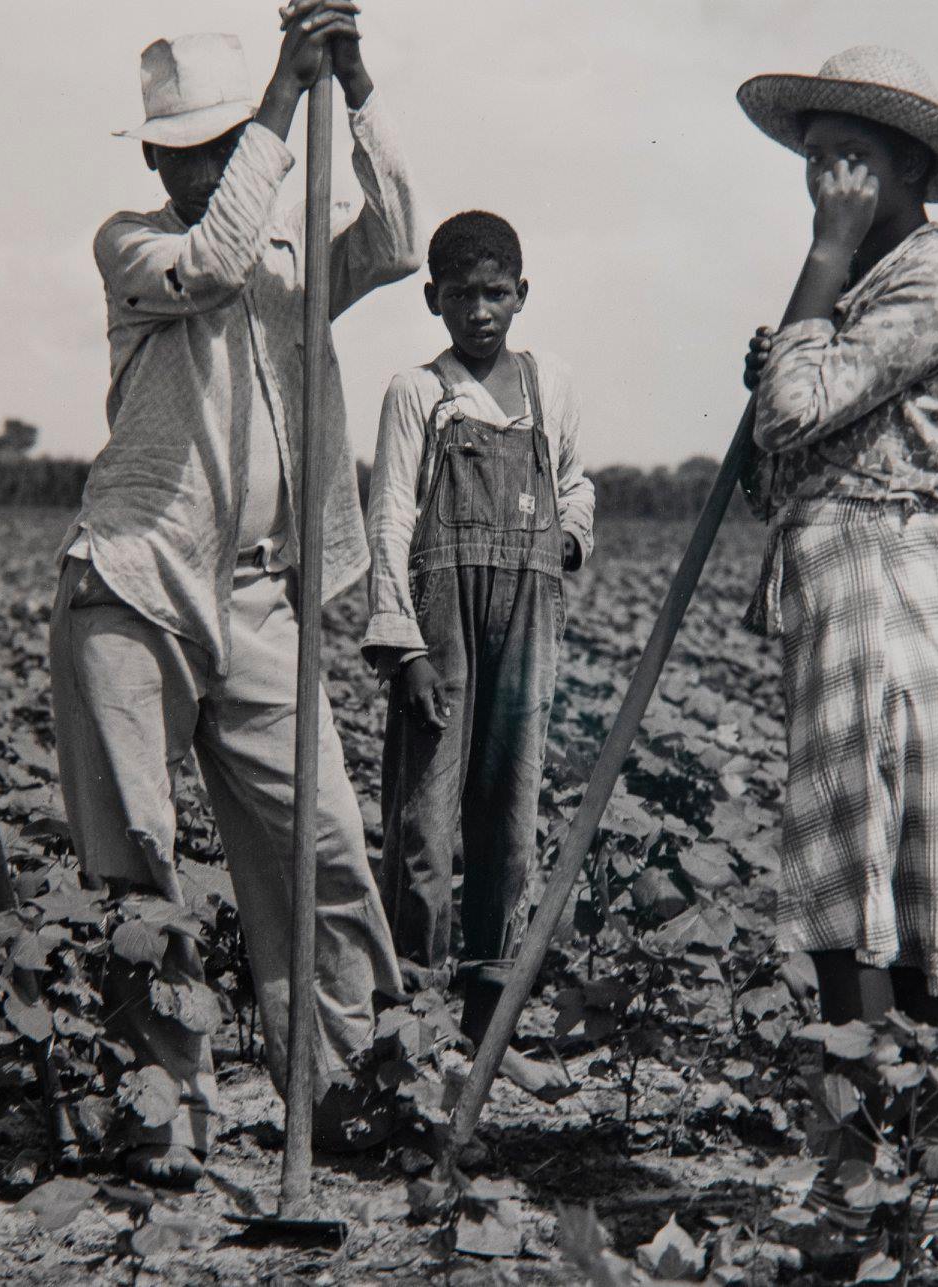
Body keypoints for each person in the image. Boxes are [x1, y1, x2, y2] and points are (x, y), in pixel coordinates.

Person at [49, 2, 421, 1188]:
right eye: (195, 149)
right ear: (162, 158)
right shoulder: (134, 243)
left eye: (232, 145)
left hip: (264, 599)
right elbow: (211, 260)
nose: (214, 165)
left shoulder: (297, 251)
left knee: (325, 840)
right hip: (135, 586)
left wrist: (351, 90)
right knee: (142, 857)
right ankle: (169, 1116)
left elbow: (403, 236)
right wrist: (279, 100)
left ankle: (354, 1089)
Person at [736, 47, 938, 1025]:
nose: (827, 180)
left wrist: (819, 269)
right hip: (841, 575)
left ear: (909, 169)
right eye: (816, 156)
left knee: (877, 876)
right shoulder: (859, 285)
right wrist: (800, 330)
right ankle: (873, 1145)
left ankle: (871, 1149)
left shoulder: (929, 282)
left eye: (851, 157)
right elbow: (769, 472)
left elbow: (790, 415)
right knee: (860, 867)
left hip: (882, 582)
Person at [362, 211, 593, 1095]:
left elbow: (575, 481)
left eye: (497, 292)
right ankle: (417, 1027)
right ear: (433, 299)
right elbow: (389, 517)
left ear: (521, 294)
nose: (481, 310)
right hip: (443, 625)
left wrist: (567, 539)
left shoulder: (550, 384)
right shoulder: (417, 392)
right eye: (461, 294)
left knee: (506, 820)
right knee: (424, 822)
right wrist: (404, 644)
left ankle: (489, 1031)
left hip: (528, 617)